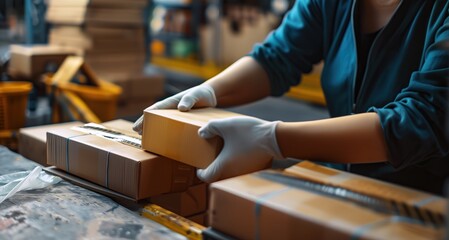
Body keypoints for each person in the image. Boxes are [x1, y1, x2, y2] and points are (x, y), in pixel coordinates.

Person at [134, 0, 449, 195]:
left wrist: (274, 139)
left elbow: (421, 119)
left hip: (422, 201)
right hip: (340, 184)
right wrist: (211, 90)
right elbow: (277, 58)